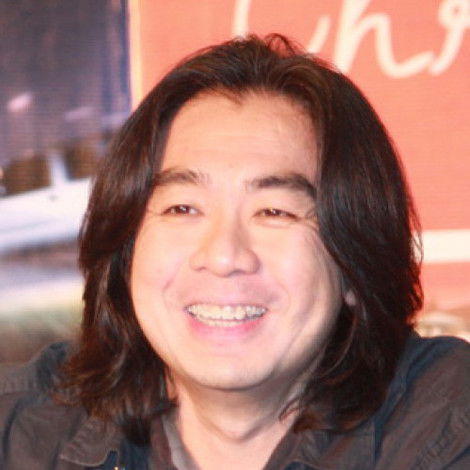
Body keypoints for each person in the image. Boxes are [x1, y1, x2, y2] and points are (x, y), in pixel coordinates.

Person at [0, 34, 468, 470]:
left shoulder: (446, 427)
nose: (224, 256)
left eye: (274, 212)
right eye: (183, 208)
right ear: (127, 251)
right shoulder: (21, 431)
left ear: (353, 261)